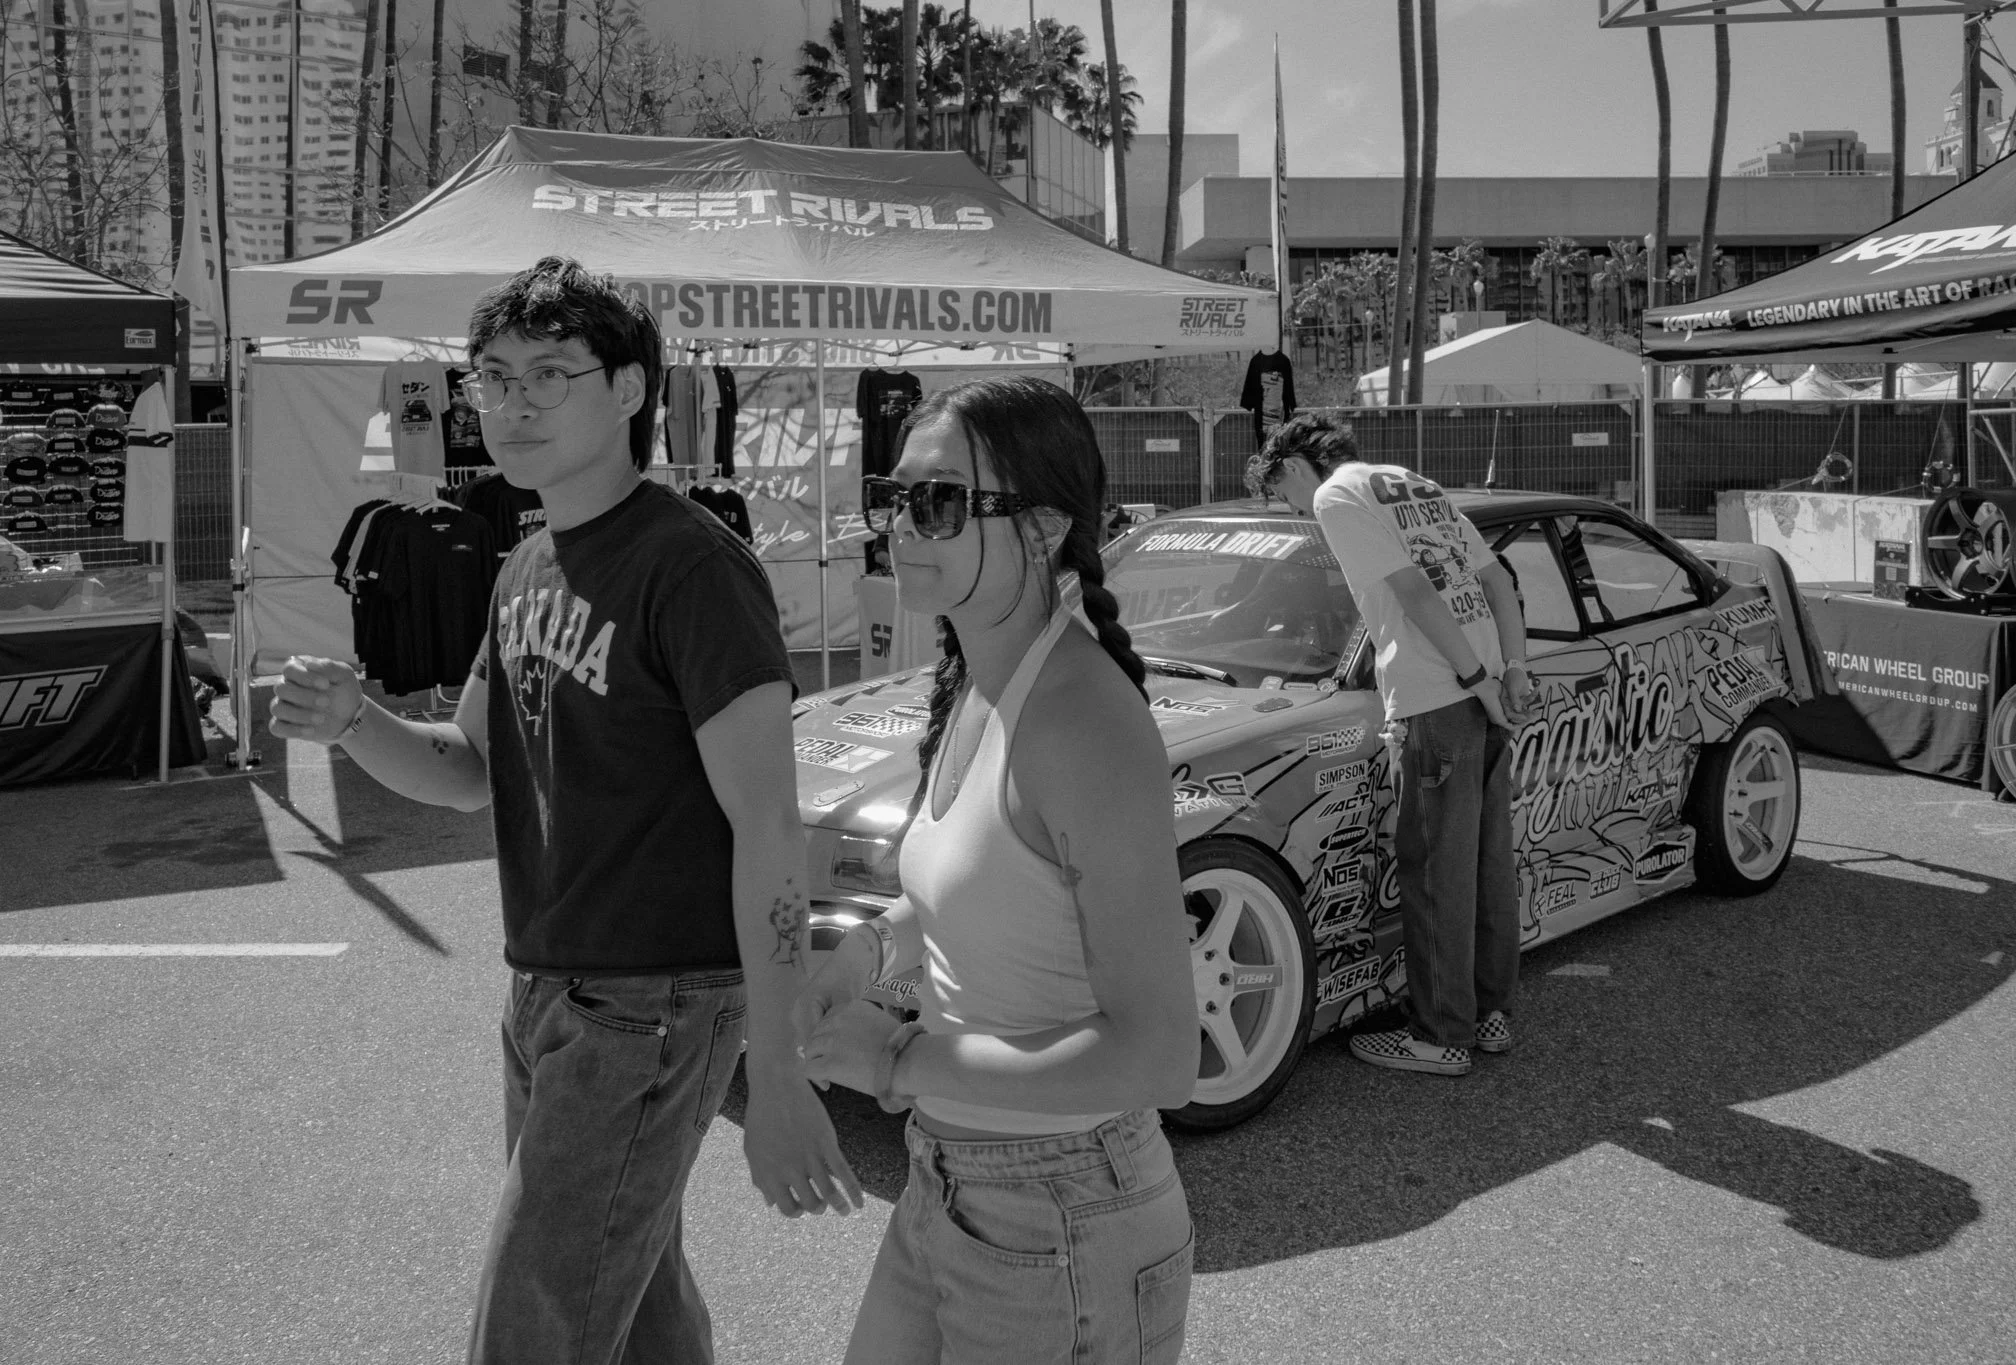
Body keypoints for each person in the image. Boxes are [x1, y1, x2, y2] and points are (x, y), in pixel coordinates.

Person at [268, 256, 860, 1365]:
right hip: (547, 990)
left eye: (550, 373)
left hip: (653, 1006)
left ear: (630, 390)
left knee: (532, 1324)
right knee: (628, 1308)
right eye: (492, 376)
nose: (513, 401)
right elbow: (462, 769)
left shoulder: (691, 567)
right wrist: (354, 720)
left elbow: (769, 830)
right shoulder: (527, 564)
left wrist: (778, 1075)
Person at [798, 376, 1200, 1364]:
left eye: (938, 501)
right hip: (950, 1182)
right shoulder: (975, 681)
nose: (903, 526)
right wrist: (858, 959)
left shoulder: (1080, 722)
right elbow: (968, 900)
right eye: (894, 495)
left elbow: (1156, 1055)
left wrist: (892, 1063)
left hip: (1066, 1213)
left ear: (1043, 525)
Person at [1248, 411, 1533, 1078]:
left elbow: (1413, 591)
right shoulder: (1412, 482)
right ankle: (1488, 1013)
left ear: (1293, 466)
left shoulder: (1335, 494)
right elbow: (1496, 581)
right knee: (1489, 863)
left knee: (1435, 871)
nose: (1299, 512)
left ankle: (1440, 1035)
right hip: (1482, 688)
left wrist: (1469, 678)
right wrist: (1509, 671)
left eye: (1283, 496)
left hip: (1439, 699)